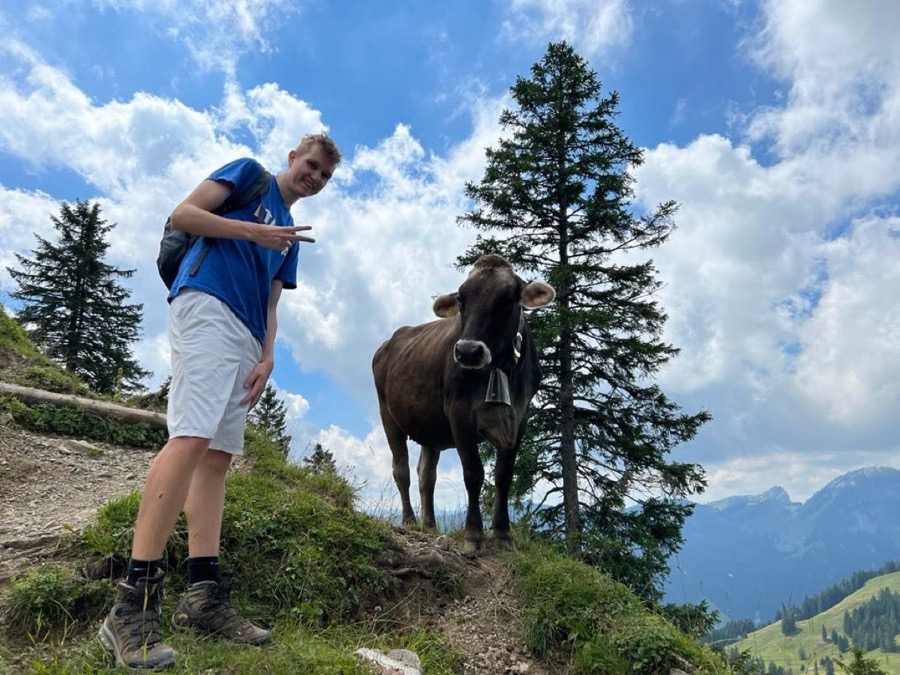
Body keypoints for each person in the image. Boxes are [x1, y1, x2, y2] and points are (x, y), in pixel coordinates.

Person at [98, 132, 342, 670]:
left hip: (248, 335)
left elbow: (273, 300)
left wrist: (268, 356)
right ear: (292, 157)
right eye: (311, 165)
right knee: (190, 437)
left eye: (325, 175)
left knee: (216, 458)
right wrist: (253, 230)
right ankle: (131, 605)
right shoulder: (249, 174)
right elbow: (184, 214)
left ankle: (202, 595)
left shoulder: (291, 236)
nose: (315, 177)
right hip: (206, 302)